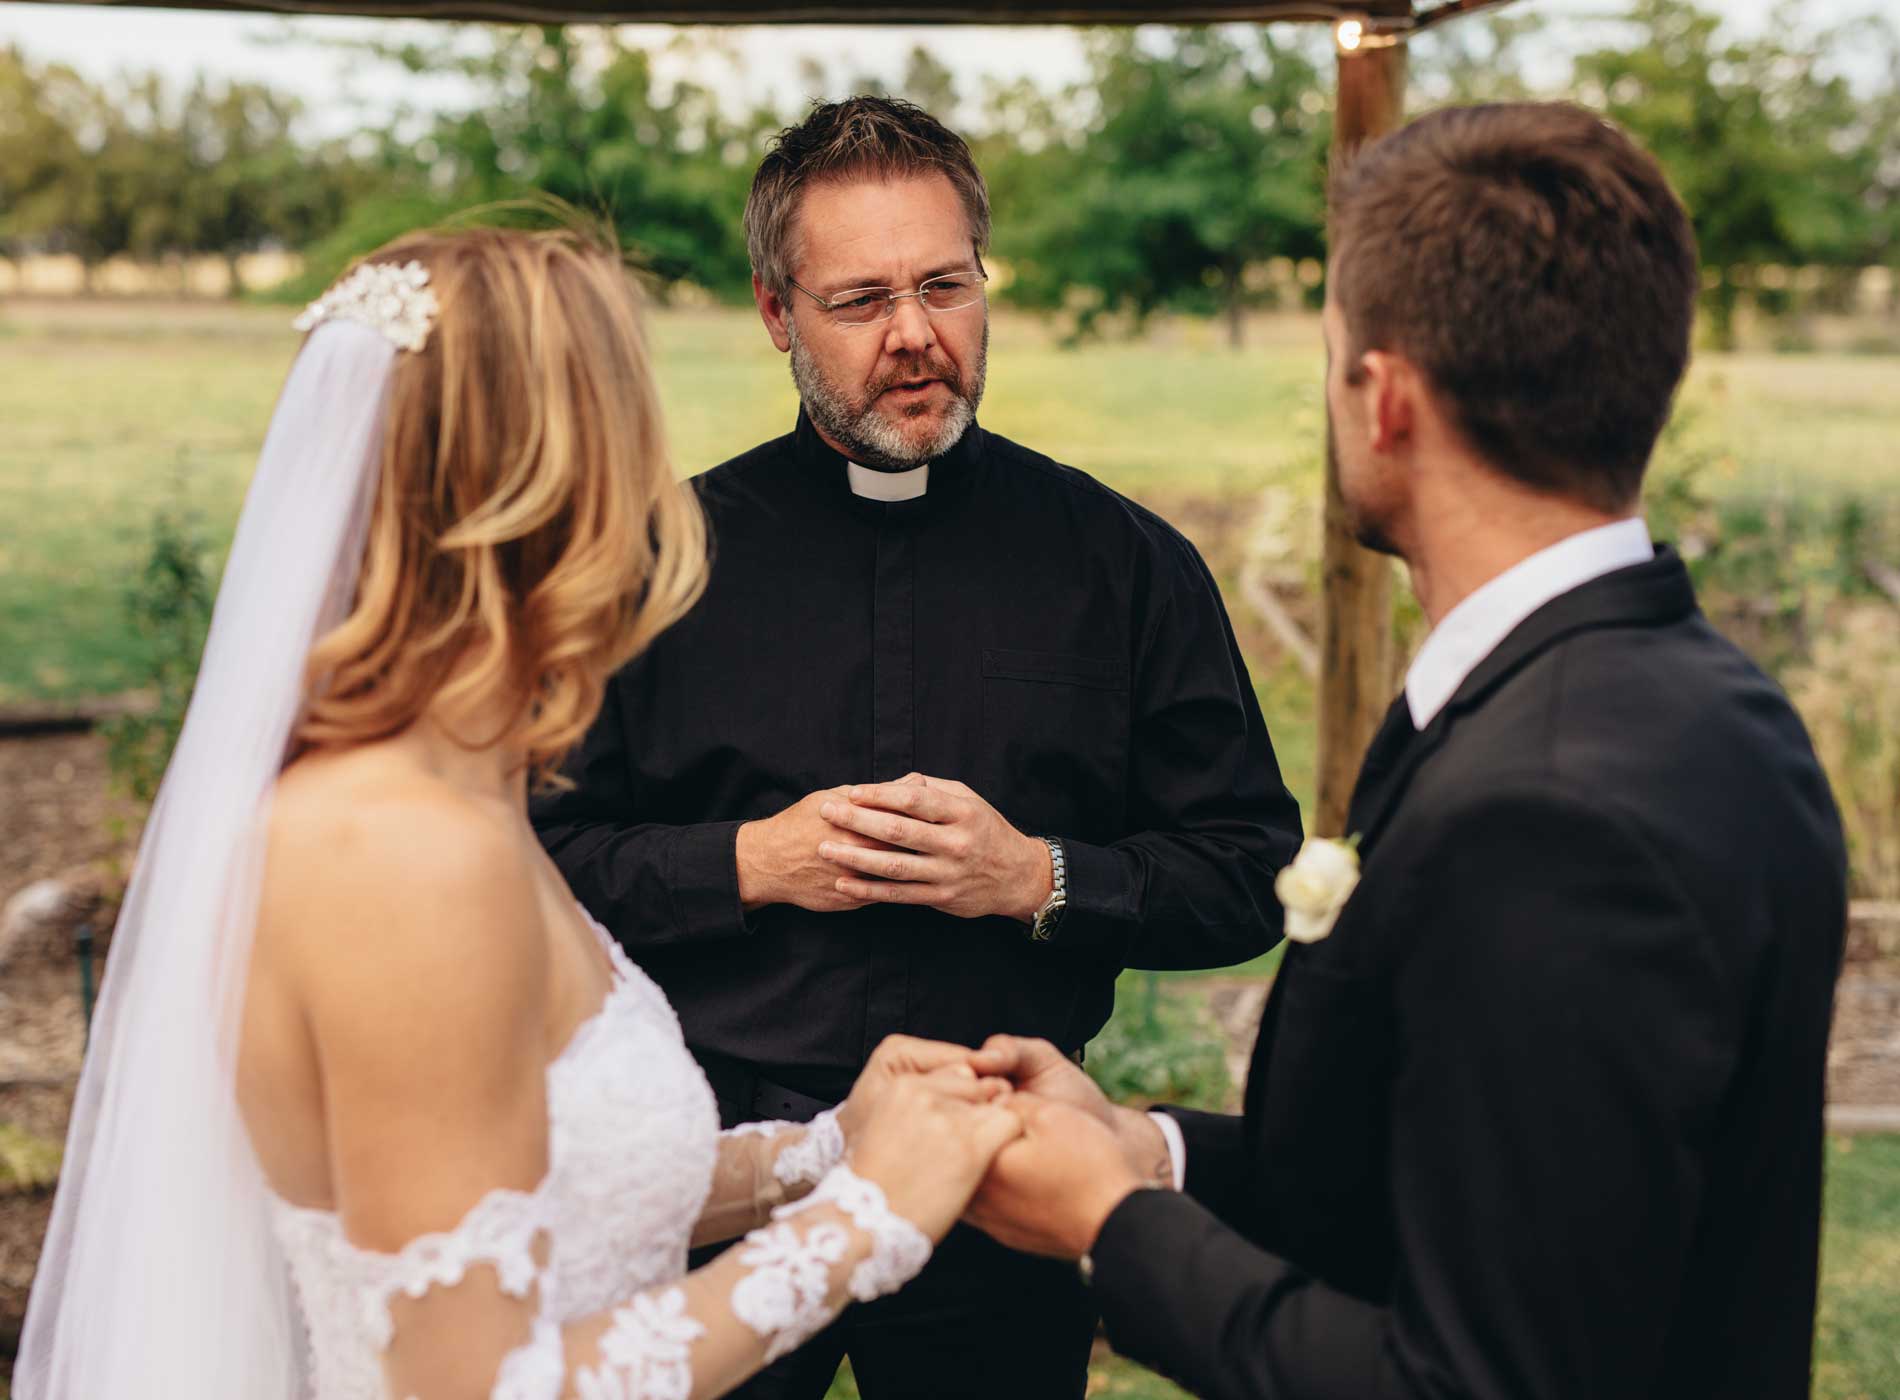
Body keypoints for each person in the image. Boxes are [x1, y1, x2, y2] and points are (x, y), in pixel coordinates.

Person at [17, 225, 1025, 1399]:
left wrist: (826, 1148)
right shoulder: (399, 855)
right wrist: (865, 1219)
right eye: (630, 438)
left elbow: (523, 1180)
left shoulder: (455, 791)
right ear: (550, 490)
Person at [961, 103, 1848, 1400]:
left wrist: (1112, 1228)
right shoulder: (1706, 704)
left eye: (1331, 361)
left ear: (1385, 400)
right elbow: (1458, 1201)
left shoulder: (1551, 813)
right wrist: (1144, 1153)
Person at [532, 96, 1303, 1400]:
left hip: (999, 1184)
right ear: (779, 314)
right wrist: (748, 864)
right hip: (710, 1181)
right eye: (861, 299)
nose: (914, 336)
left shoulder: (1123, 568)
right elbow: (528, 868)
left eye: (946, 286)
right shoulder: (649, 566)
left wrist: (1041, 880)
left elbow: (1248, 871)